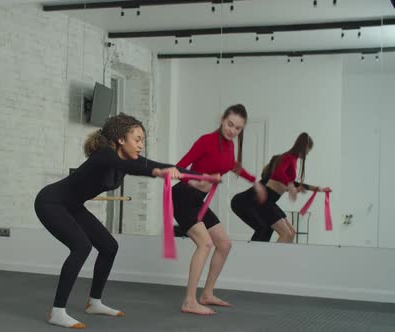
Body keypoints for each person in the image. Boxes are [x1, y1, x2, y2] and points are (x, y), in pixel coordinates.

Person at [35, 113, 203, 328]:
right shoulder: (104, 156)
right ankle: (57, 311)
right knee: (81, 247)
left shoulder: (127, 160)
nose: (141, 145)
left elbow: (160, 164)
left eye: (143, 140)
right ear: (121, 140)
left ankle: (94, 303)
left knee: (109, 247)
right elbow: (142, 168)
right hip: (50, 202)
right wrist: (159, 172)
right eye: (137, 139)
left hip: (72, 206)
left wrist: (199, 176)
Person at [173, 104, 266, 315]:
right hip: (183, 196)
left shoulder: (230, 146)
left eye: (238, 128)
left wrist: (256, 182)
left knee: (224, 244)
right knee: (205, 244)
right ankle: (189, 301)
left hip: (198, 201)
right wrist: (199, 180)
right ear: (222, 119)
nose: (232, 130)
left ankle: (206, 294)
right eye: (230, 124)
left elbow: (233, 166)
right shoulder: (206, 141)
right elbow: (178, 168)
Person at [231, 132, 332, 243]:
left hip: (270, 202)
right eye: (308, 149)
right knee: (284, 233)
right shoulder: (287, 158)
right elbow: (280, 173)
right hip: (265, 202)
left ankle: (277, 258)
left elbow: (292, 182)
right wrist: (290, 186)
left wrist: (317, 189)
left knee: (291, 232)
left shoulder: (292, 160)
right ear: (303, 147)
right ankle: (270, 259)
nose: (307, 153)